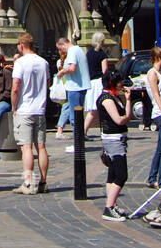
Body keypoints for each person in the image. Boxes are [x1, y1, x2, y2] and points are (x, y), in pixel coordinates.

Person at [10, 31, 50, 194]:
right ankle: (43, 181)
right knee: (41, 147)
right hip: (39, 109)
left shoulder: (20, 63)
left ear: (21, 45)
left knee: (26, 148)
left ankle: (28, 183)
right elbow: (47, 83)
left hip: (25, 109)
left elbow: (15, 87)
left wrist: (14, 107)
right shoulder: (44, 62)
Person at [97, 71, 131, 223]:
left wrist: (127, 99)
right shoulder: (106, 99)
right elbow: (119, 120)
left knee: (112, 173)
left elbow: (125, 118)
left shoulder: (114, 97)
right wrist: (128, 102)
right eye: (119, 82)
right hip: (113, 140)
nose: (122, 85)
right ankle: (108, 207)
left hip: (118, 139)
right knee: (121, 174)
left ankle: (113, 205)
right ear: (112, 83)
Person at [55, 36, 90, 142]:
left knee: (75, 117)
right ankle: (79, 141)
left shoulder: (72, 51)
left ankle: (78, 144)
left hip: (75, 88)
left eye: (60, 49)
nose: (60, 52)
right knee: (78, 116)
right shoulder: (78, 49)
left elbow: (72, 68)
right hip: (80, 87)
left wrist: (62, 72)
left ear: (63, 44)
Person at [145, 46, 161, 190]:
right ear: (159, 56)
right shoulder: (152, 73)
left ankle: (152, 178)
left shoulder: (160, 73)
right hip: (160, 112)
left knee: (160, 148)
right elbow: (156, 94)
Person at [83, 31, 109, 134]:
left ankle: (83, 131)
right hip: (99, 82)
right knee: (102, 107)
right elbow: (105, 71)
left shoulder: (88, 53)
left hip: (90, 83)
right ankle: (106, 129)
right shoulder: (102, 54)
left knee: (92, 111)